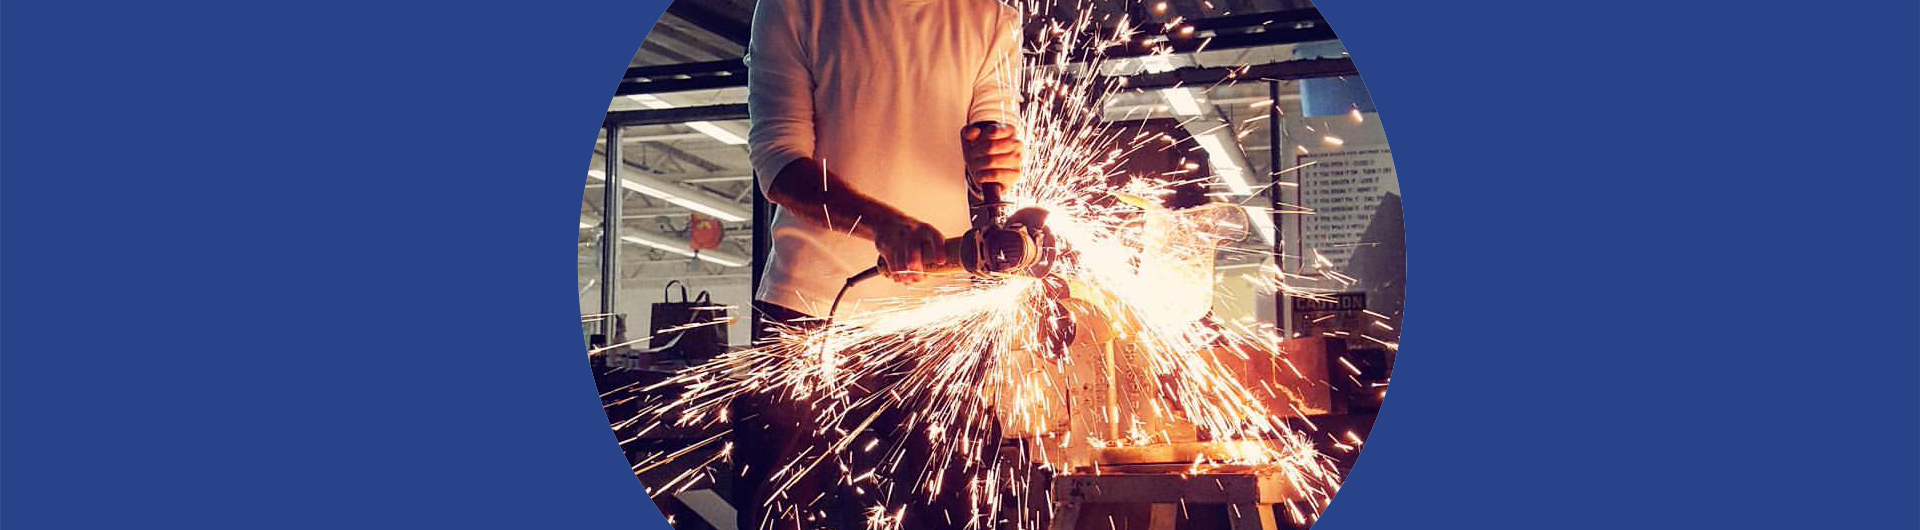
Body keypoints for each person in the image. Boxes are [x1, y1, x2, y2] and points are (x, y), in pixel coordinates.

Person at [731, 0, 1025, 528]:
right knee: (783, 512)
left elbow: (994, 152)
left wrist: (994, 164)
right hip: (810, 313)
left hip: (940, 330)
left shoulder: (989, 17)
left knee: (947, 511)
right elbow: (778, 162)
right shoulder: (794, 8)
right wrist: (883, 225)